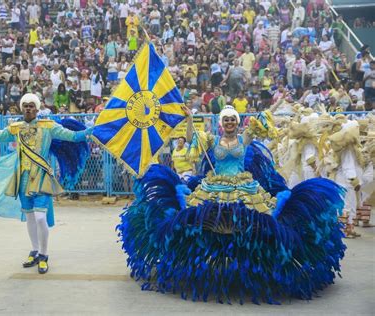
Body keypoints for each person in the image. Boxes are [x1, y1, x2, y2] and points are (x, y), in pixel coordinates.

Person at [117, 105, 346, 303]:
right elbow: (191, 138)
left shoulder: (244, 138)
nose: (229, 123)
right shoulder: (212, 140)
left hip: (244, 187)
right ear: (220, 123)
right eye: (225, 120)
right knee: (202, 218)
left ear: (237, 122)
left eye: (232, 120)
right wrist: (189, 119)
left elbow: (266, 126)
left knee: (258, 220)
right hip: (214, 186)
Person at [0, 93, 93, 274]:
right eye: (26, 106)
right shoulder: (15, 128)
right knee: (30, 217)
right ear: (22, 108)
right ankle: (35, 250)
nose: (29, 108)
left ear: (38, 109)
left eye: (32, 105)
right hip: (22, 179)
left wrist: (94, 130)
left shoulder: (48, 127)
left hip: (41, 178)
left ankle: (44, 254)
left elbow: (75, 136)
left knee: (40, 217)